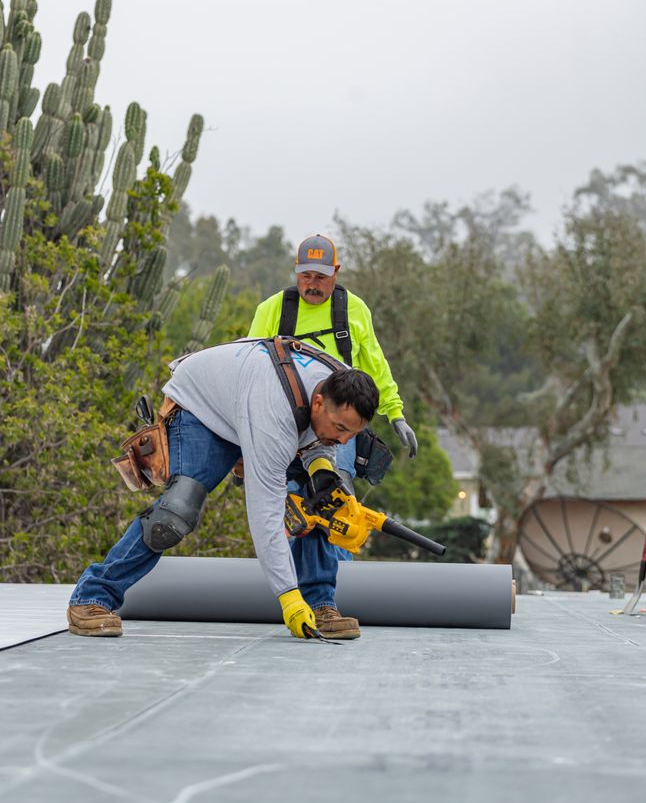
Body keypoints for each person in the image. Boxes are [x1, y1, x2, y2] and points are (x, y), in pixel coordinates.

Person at [66, 338, 379, 640]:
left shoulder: (340, 383)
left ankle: (320, 605)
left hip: (250, 403)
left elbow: (318, 438)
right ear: (320, 402)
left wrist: (322, 469)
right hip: (203, 409)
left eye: (352, 433)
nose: (343, 440)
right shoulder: (274, 412)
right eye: (340, 429)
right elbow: (264, 513)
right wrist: (288, 598)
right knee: (176, 512)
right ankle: (92, 597)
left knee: (323, 499)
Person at [247, 233, 417, 640]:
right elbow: (248, 364)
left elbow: (374, 363)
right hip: (283, 424)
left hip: (335, 429)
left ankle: (324, 602)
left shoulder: (352, 310)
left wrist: (395, 414)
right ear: (295, 271)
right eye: (305, 275)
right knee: (289, 509)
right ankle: (300, 597)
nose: (313, 284)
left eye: (321, 277)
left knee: (330, 502)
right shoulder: (273, 309)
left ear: (335, 273)